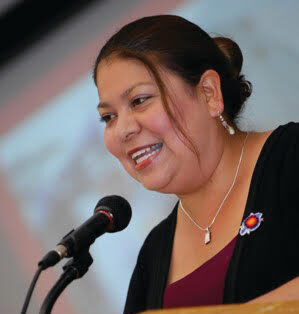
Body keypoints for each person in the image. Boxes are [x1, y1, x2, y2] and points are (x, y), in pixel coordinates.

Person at [92, 15, 299, 313]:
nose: (123, 129)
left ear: (209, 93)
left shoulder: (290, 157)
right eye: (108, 117)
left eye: (139, 100)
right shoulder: (154, 254)